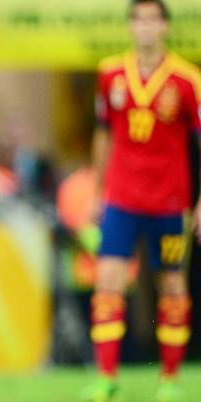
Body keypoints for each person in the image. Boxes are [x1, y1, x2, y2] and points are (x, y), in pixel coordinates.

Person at [84, 1, 201, 401]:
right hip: (122, 201)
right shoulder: (110, 74)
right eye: (139, 19)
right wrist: (98, 192)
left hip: (170, 203)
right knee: (107, 283)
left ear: (165, 27)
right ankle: (106, 378)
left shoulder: (188, 80)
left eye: (153, 19)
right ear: (131, 27)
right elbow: (102, 134)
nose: (146, 27)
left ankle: (168, 380)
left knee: (171, 286)